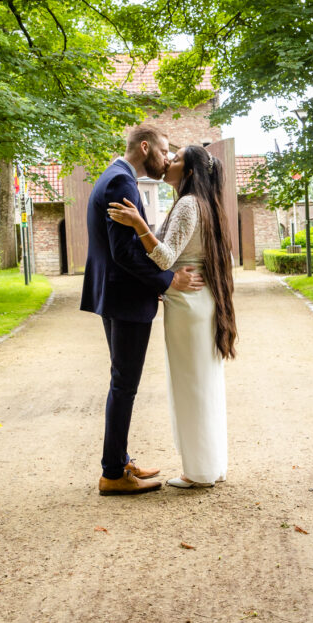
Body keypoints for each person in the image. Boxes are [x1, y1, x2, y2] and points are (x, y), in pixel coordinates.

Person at [80, 125, 205, 496]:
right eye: (165, 151)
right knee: (124, 385)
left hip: (115, 296)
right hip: (126, 299)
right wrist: (167, 281)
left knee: (122, 382)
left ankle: (119, 460)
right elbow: (124, 252)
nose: (167, 159)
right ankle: (113, 473)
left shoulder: (114, 176)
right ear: (146, 147)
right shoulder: (122, 183)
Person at [108, 144, 236, 487]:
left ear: (190, 172)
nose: (169, 162)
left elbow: (164, 258)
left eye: (176, 159)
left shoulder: (188, 204)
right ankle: (211, 465)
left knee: (191, 387)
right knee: (203, 384)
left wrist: (138, 224)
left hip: (188, 305)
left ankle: (199, 472)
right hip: (198, 302)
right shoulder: (206, 205)